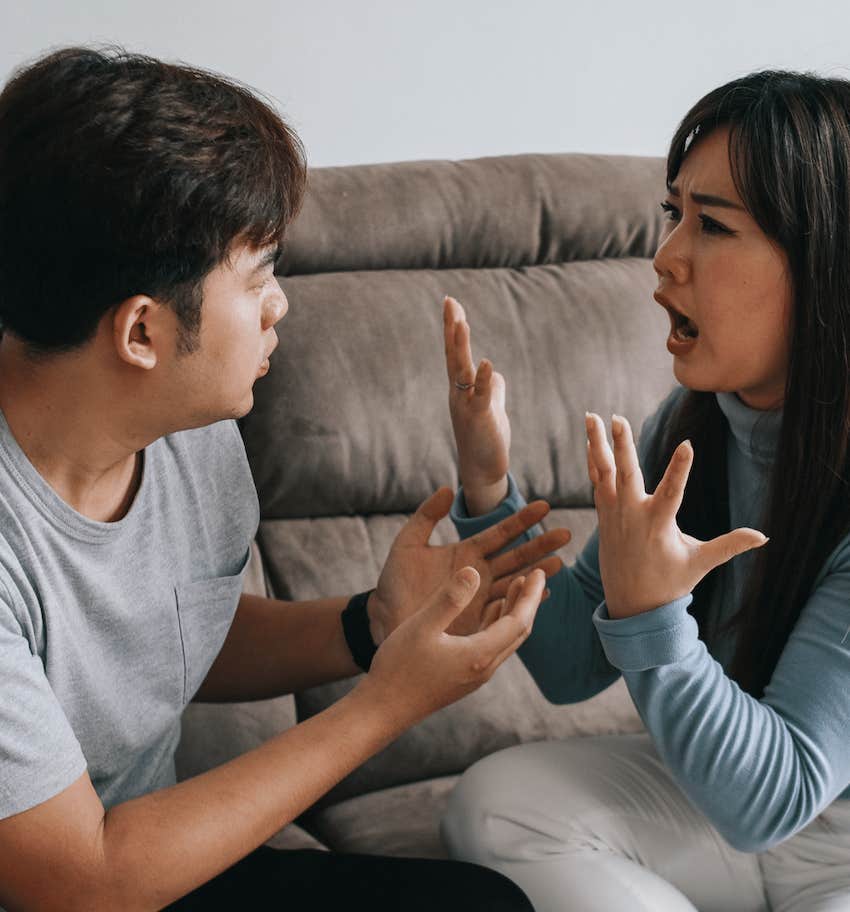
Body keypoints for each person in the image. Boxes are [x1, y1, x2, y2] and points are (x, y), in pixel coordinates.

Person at [0, 47, 575, 911]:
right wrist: (386, 703)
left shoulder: (185, 430)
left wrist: (370, 627)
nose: (281, 305)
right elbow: (81, 881)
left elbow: (169, 636)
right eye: (258, 276)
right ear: (142, 334)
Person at [440, 70, 850, 912]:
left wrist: (653, 620)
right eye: (674, 214)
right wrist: (487, 486)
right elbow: (563, 664)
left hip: (824, 842)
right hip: (724, 817)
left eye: (714, 226)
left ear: (827, 260)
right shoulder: (694, 426)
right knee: (497, 804)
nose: (665, 257)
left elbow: (775, 797)